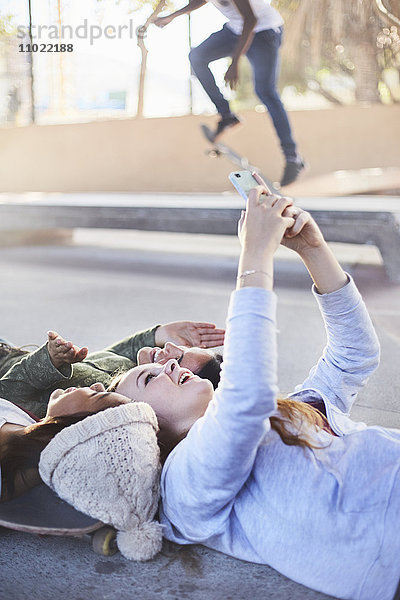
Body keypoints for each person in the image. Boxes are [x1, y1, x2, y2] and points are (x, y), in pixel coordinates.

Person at [154, 0, 305, 187]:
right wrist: (172, 16)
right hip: (236, 30)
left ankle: (292, 157)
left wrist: (235, 62)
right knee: (197, 57)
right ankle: (227, 116)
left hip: (264, 31)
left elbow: (251, 19)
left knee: (265, 91)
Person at [0, 320, 224, 418]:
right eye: (183, 347)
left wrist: (47, 361)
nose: (170, 348)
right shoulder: (130, 373)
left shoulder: (86, 401)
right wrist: (156, 334)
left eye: (179, 360)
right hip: (8, 350)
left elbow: (7, 401)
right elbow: (115, 353)